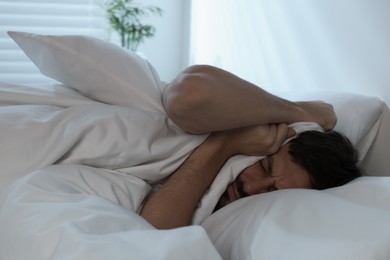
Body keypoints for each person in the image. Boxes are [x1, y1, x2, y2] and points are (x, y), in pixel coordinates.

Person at [139, 65, 362, 229]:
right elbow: (188, 94)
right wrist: (298, 112)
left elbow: (149, 235)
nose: (253, 188)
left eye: (273, 192)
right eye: (265, 167)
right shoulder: (222, 120)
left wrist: (226, 143)